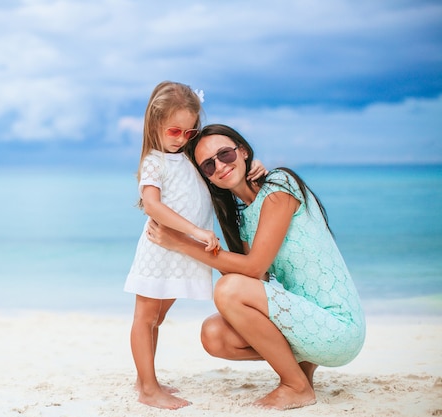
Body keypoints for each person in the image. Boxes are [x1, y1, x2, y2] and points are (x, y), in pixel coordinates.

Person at [146, 124, 366, 411]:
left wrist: (182, 243)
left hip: (339, 328)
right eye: (209, 166)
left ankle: (295, 386)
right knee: (214, 334)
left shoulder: (280, 185)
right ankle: (302, 375)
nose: (221, 166)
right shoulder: (244, 219)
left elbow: (252, 268)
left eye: (225, 154)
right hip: (308, 324)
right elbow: (254, 279)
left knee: (227, 289)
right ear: (207, 179)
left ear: (244, 151)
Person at [124, 83, 266, 410]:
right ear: (154, 125)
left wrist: (255, 167)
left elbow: (222, 174)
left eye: (190, 132)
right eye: (174, 131)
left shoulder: (189, 155)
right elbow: (152, 205)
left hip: (181, 252)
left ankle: (145, 378)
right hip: (160, 250)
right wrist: (194, 232)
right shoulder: (153, 161)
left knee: (157, 319)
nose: (182, 138)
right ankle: (147, 387)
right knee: (145, 318)